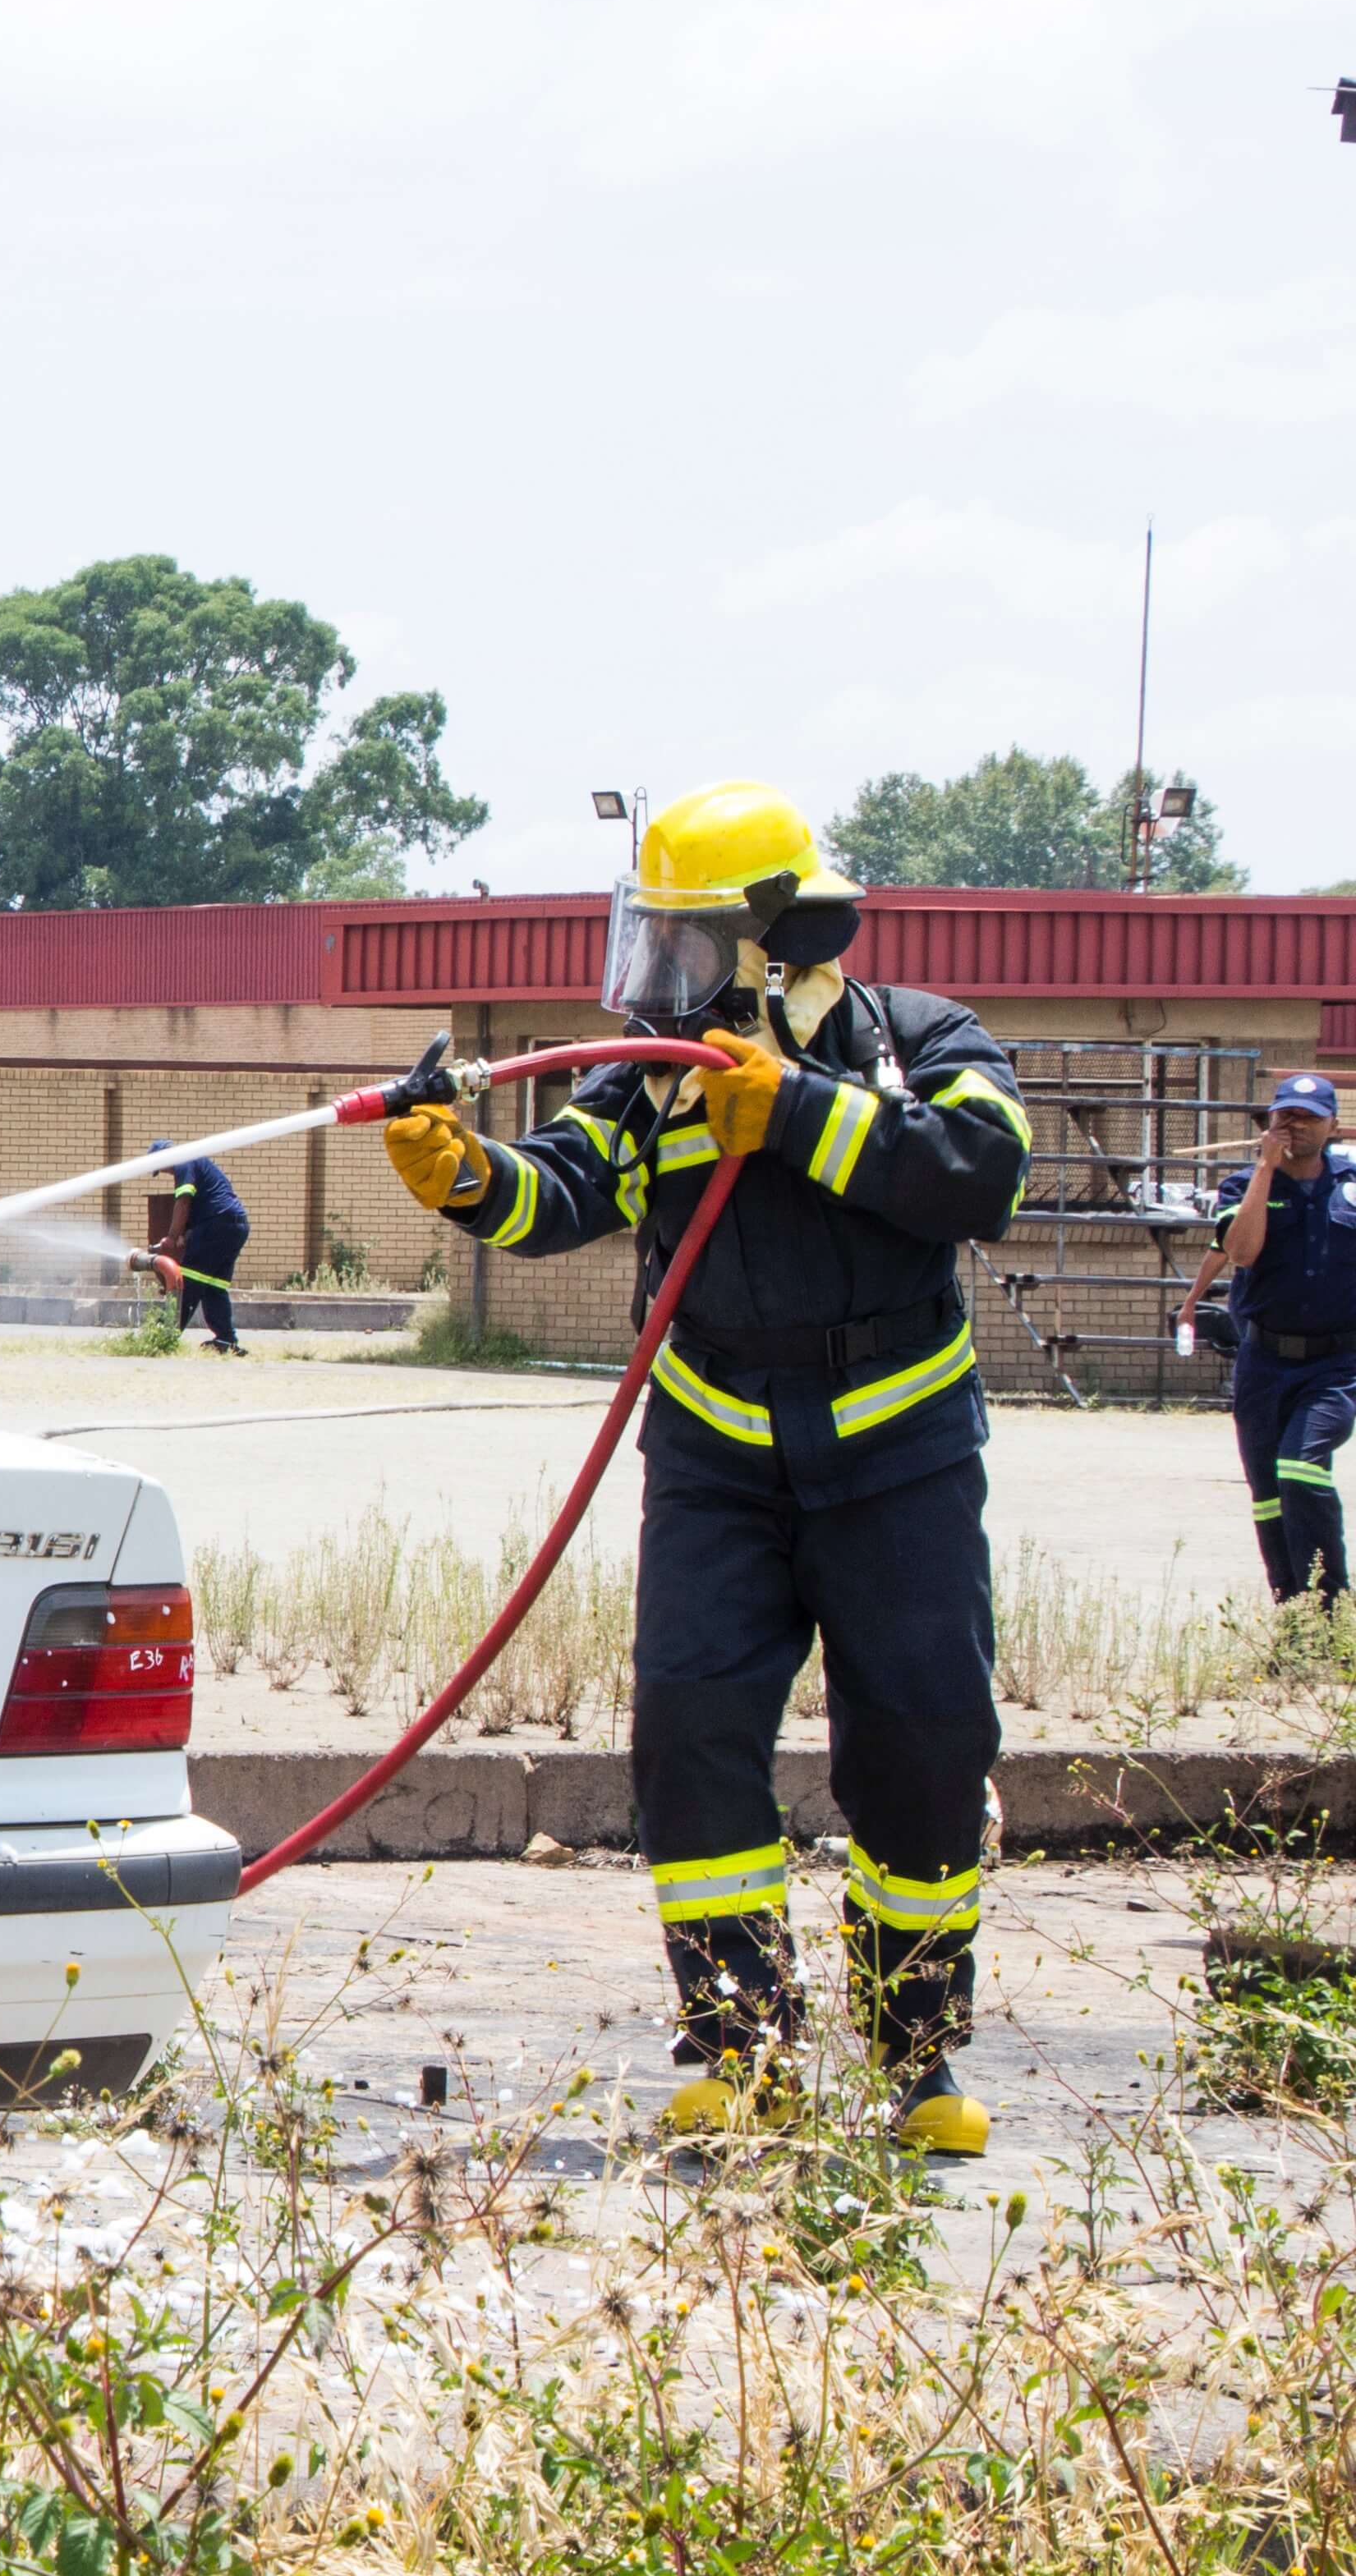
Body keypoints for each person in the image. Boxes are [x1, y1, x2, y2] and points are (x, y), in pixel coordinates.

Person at [377, 782, 1028, 2155]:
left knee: (919, 1744)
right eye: (649, 938)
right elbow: (563, 1184)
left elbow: (976, 1170)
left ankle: (913, 2053)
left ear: (772, 938)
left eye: (682, 942)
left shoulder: (913, 1041)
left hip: (896, 1451)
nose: (655, 973)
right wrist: (456, 1172)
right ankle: (740, 2041)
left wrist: (791, 1110)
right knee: (686, 1738)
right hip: (715, 1454)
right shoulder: (646, 1079)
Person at [1216, 1072, 1354, 1607]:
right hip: (1263, 1361)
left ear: (1333, 1126)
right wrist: (1264, 1173)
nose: (1293, 1124)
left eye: (1307, 1116)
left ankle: (1331, 1607)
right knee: (1269, 1497)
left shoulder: (1351, 1184)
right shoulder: (1240, 1186)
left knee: (1301, 1467)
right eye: (1284, 1115)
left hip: (1338, 1364)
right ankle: (1293, 1612)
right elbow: (1242, 1252)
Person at [150, 1137, 248, 1352]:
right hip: (235, 1226)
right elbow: (204, 1200)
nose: (167, 1173)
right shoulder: (197, 1161)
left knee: (188, 1282)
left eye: (161, 1167)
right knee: (214, 1287)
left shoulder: (183, 1160)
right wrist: (185, 1233)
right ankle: (226, 1340)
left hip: (217, 1224)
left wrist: (172, 1237)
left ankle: (162, 1336)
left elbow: (183, 1201)